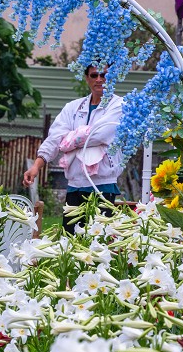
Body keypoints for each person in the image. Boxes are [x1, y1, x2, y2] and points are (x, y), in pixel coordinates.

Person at [22, 64, 126, 234]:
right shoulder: (73, 107)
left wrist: (69, 139)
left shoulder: (119, 105)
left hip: (103, 186)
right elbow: (55, 137)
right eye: (94, 75)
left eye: (104, 75)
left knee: (99, 243)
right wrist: (36, 165)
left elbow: (100, 134)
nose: (99, 79)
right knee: (70, 242)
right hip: (75, 186)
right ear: (87, 78)